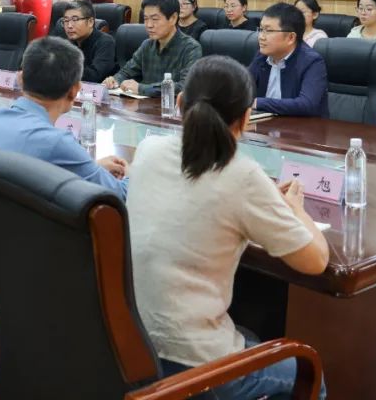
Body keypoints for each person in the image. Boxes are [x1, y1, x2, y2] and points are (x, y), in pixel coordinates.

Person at [128, 55, 329, 400]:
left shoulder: (147, 150)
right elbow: (316, 261)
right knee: (310, 372)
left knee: (248, 334)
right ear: (248, 117)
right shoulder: (242, 174)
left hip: (132, 348)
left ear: (180, 102)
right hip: (192, 367)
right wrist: (295, 208)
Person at [0, 37, 128, 327]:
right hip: (0, 303)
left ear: (20, 78)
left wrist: (91, 167)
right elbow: (117, 198)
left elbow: (32, 166)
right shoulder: (55, 143)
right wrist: (142, 171)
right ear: (75, 90)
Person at [103, 0, 202, 97]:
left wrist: (141, 88)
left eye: (155, 19)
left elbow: (185, 87)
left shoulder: (191, 48)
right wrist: (115, 80)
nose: (149, 25)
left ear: (173, 18)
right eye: (146, 19)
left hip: (171, 106)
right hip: (143, 105)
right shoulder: (147, 45)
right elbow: (126, 72)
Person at [247, 3, 329, 117]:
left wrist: (258, 103)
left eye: (268, 31)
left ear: (291, 37)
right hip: (266, 123)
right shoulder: (262, 56)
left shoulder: (312, 61)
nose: (261, 36)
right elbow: (242, 88)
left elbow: (306, 105)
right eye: (261, 29)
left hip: (302, 126)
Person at [61, 0, 116, 83]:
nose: (69, 26)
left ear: (90, 22)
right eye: (66, 20)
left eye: (75, 20)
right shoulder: (67, 42)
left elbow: (95, 76)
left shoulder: (105, 42)